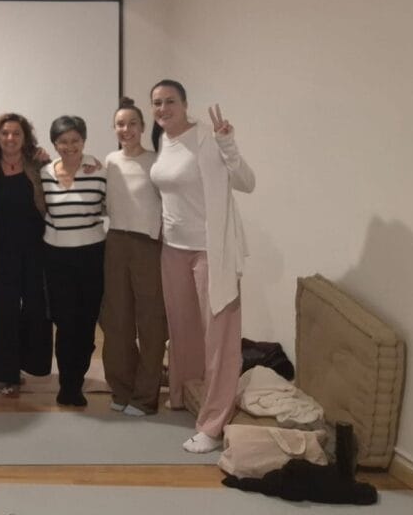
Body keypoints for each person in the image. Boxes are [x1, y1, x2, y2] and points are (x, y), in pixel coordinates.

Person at [148, 79, 255, 453]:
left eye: (170, 101)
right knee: (183, 332)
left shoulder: (208, 137)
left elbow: (247, 182)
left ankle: (213, 425)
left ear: (184, 103)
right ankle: (186, 395)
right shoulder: (164, 140)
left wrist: (228, 143)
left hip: (210, 252)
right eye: (157, 103)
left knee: (220, 340)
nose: (163, 109)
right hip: (173, 250)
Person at [101, 97, 167, 417]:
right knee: (117, 321)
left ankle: (145, 397)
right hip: (115, 242)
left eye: (132, 124)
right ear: (114, 128)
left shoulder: (156, 162)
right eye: (120, 124)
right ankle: (122, 388)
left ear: (142, 127)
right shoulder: (110, 161)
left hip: (148, 245)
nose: (126, 129)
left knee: (151, 322)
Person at [0, 113, 51, 395]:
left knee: (36, 308)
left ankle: (31, 365)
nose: (10, 138)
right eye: (5, 133)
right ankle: (6, 374)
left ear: (25, 138)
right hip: (0, 251)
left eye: (16, 133)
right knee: (2, 312)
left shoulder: (39, 164)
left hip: (36, 249)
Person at [40, 115, 106, 407]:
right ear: (54, 144)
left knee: (86, 324)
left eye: (75, 140)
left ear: (84, 141)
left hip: (92, 255)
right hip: (56, 257)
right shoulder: (44, 173)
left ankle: (77, 378)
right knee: (65, 323)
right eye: (63, 141)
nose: (69, 146)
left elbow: (111, 206)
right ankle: (68, 385)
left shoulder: (99, 172)